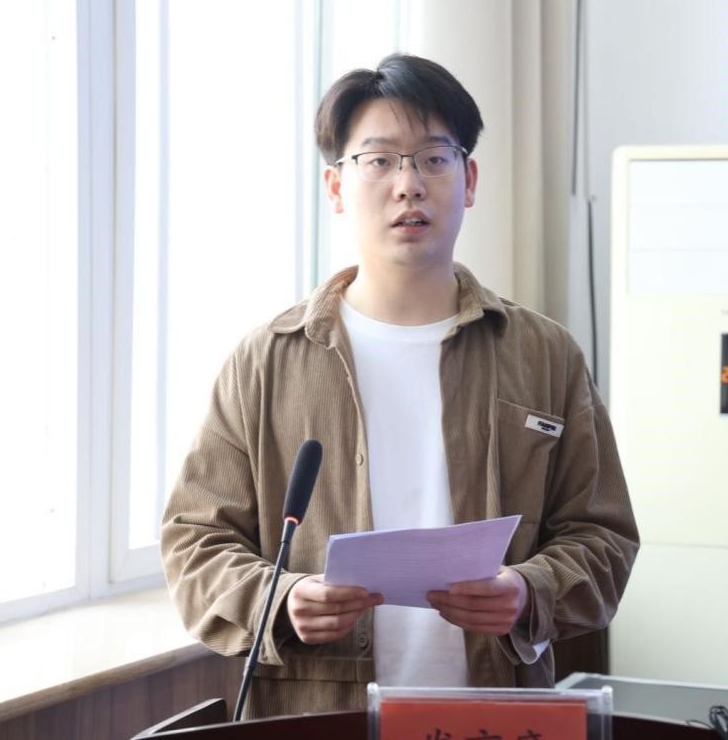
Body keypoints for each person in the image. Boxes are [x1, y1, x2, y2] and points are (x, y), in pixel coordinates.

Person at [160, 53, 638, 719]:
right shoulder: (265, 363)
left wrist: (531, 589)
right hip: (319, 716)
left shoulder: (544, 354)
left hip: (494, 716)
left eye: (434, 159)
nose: (408, 184)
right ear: (336, 187)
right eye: (379, 161)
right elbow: (194, 542)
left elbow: (604, 535)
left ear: (469, 180)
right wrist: (279, 598)